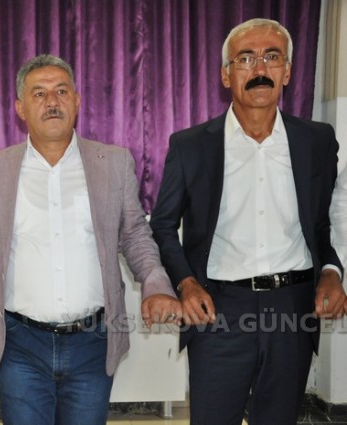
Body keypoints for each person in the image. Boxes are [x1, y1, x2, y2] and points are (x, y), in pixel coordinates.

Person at [0, 54, 181, 425]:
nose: (52, 101)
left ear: (77, 101)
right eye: (39, 93)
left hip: (92, 341)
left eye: (61, 91)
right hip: (20, 343)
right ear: (20, 108)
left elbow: (134, 234)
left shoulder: (114, 162)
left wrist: (156, 284)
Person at [149, 18, 346, 425]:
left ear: (287, 71)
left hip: (293, 308)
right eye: (245, 59)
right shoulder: (190, 146)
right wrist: (185, 283)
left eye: (272, 57)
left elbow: (326, 221)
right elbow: (163, 226)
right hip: (219, 309)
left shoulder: (317, 141)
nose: (259, 68)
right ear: (226, 75)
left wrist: (332, 271)